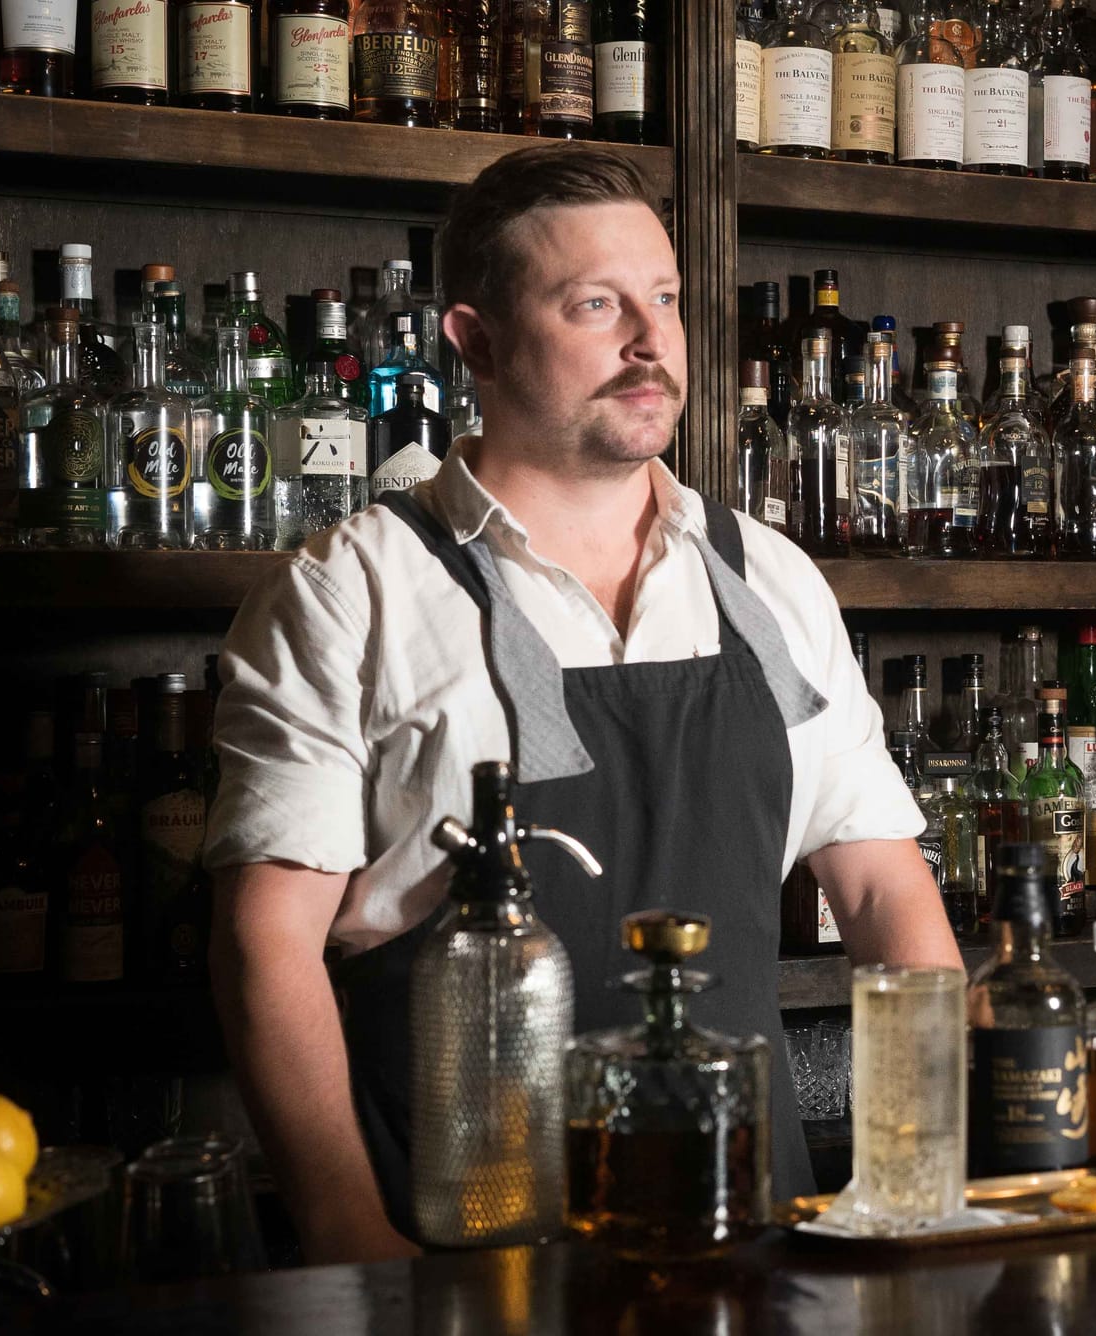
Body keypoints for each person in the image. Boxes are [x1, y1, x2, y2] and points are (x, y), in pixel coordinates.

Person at [206, 142, 962, 1265]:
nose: (651, 341)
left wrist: (922, 1173)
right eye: (595, 304)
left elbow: (884, 890)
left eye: (663, 297)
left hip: (752, 1248)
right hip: (465, 1255)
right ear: (476, 340)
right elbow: (264, 940)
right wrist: (348, 1234)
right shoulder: (350, 590)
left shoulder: (768, 579)